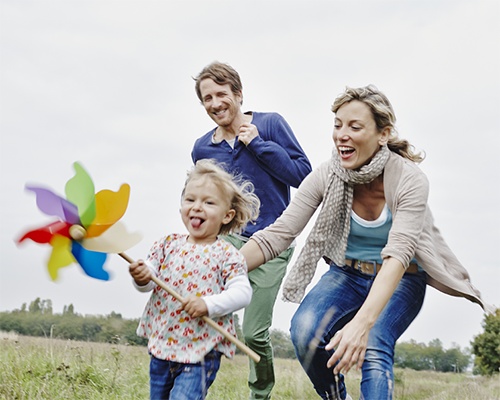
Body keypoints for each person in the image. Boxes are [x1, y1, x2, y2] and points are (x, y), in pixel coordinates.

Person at [239, 85, 492, 399]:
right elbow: (280, 233)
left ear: (382, 134)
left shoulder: (409, 180)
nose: (342, 135)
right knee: (305, 331)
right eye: (338, 125)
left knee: (374, 343)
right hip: (347, 274)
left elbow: (399, 254)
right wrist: (220, 268)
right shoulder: (327, 175)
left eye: (354, 127)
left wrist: (363, 323)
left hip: (402, 278)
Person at [192, 61, 312, 399]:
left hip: (273, 243)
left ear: (238, 94)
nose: (214, 103)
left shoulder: (270, 124)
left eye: (221, 94)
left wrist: (259, 144)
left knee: (254, 333)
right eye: (207, 98)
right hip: (226, 242)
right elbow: (204, 198)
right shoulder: (203, 148)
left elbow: (303, 175)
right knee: (207, 318)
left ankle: (260, 395)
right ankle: (191, 389)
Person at [129, 159, 260, 400]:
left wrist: (208, 304)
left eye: (209, 202)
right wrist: (141, 275)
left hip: (201, 351)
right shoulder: (167, 245)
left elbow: (243, 293)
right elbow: (148, 280)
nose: (197, 207)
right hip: (163, 344)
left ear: (227, 215)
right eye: (190, 200)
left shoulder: (227, 255)